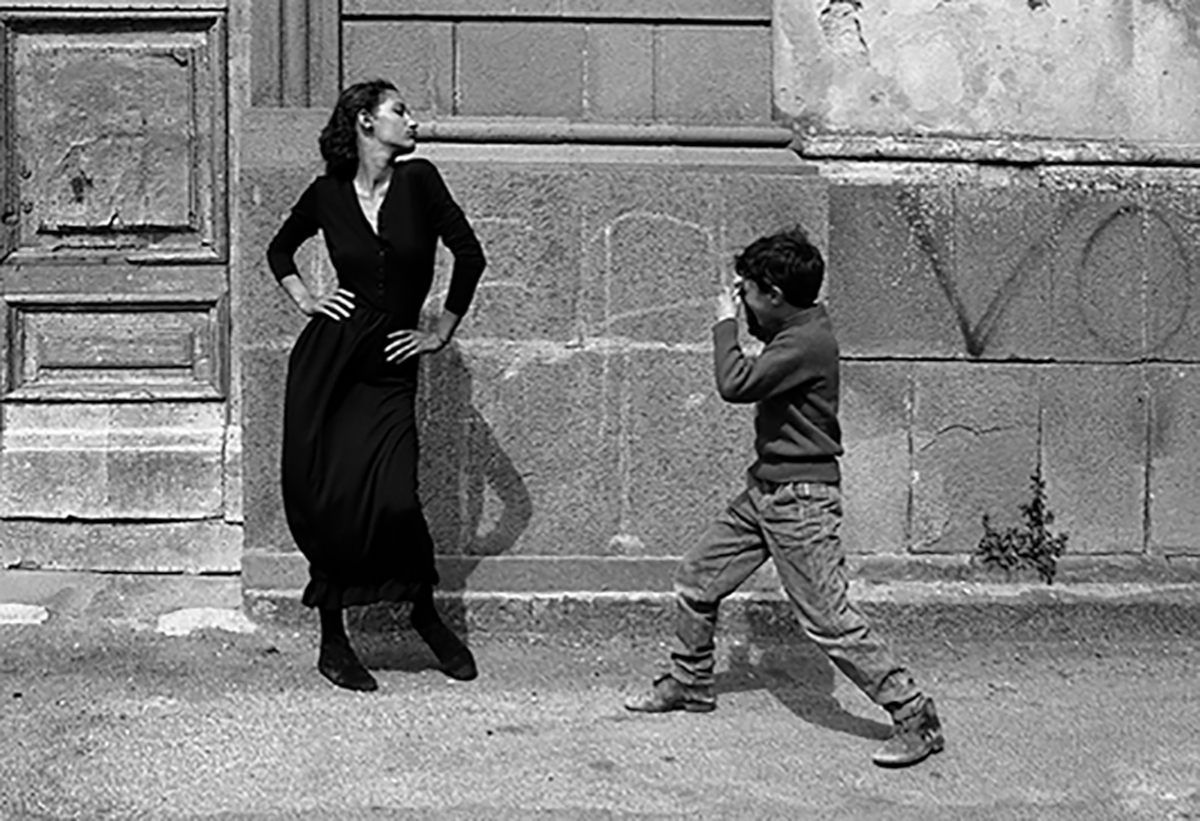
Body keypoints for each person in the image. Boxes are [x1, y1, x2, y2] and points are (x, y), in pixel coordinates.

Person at [623, 229, 945, 768]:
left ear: (773, 294)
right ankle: (689, 682)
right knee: (697, 579)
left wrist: (724, 321)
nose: (741, 300)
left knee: (828, 620)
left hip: (800, 501)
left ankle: (914, 715)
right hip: (766, 491)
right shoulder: (797, 326)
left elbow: (735, 383)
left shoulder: (804, 341)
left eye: (746, 291)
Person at [266, 79, 486, 692]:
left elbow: (469, 255)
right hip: (329, 366)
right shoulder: (326, 193)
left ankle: (422, 614)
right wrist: (308, 300)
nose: (413, 121)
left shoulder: (421, 181)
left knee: (395, 499)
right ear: (365, 121)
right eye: (400, 111)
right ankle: (333, 641)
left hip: (389, 367)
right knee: (329, 498)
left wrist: (439, 330)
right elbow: (279, 250)